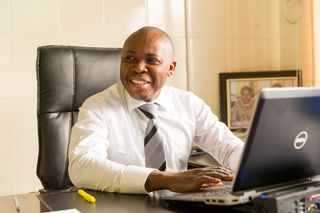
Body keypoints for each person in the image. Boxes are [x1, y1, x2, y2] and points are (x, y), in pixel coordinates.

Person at [68, 26, 244, 194]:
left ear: (171, 68)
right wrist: (164, 180)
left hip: (179, 206)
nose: (138, 68)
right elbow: (82, 166)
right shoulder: (97, 107)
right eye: (130, 59)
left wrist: (257, 166)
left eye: (152, 60)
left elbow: (228, 148)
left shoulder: (189, 104)